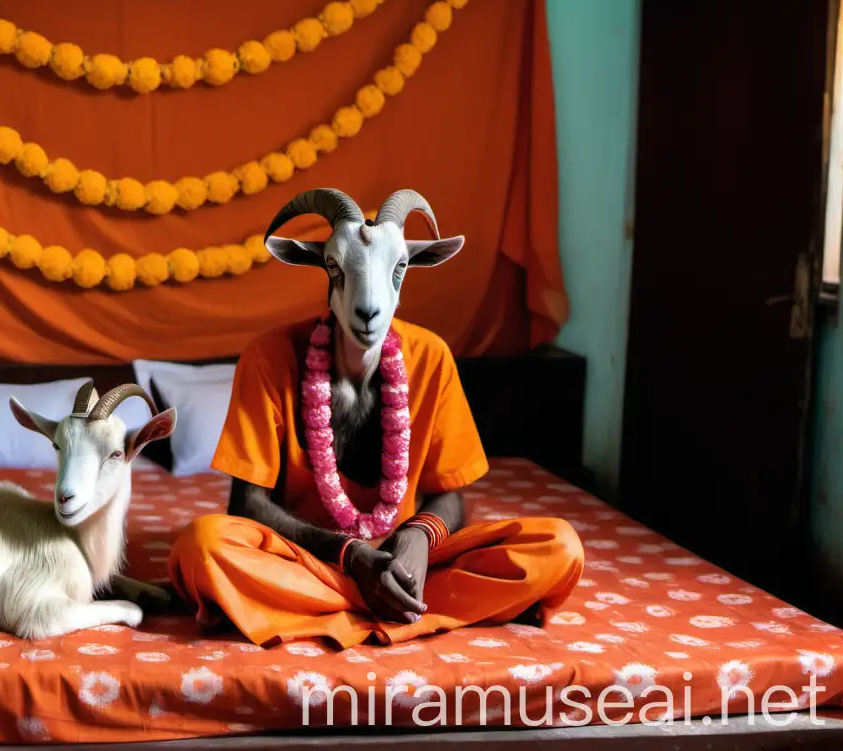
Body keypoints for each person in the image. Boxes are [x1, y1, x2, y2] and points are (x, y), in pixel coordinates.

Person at [167, 189, 584, 649]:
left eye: (397, 267)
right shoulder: (269, 357)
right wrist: (350, 556)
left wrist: (418, 540)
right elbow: (246, 505)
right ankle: (414, 612)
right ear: (323, 269)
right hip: (304, 560)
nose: (368, 302)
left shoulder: (431, 358)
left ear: (409, 269)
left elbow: (451, 498)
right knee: (203, 545)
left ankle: (325, 610)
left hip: (407, 566)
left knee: (558, 546)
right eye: (337, 266)